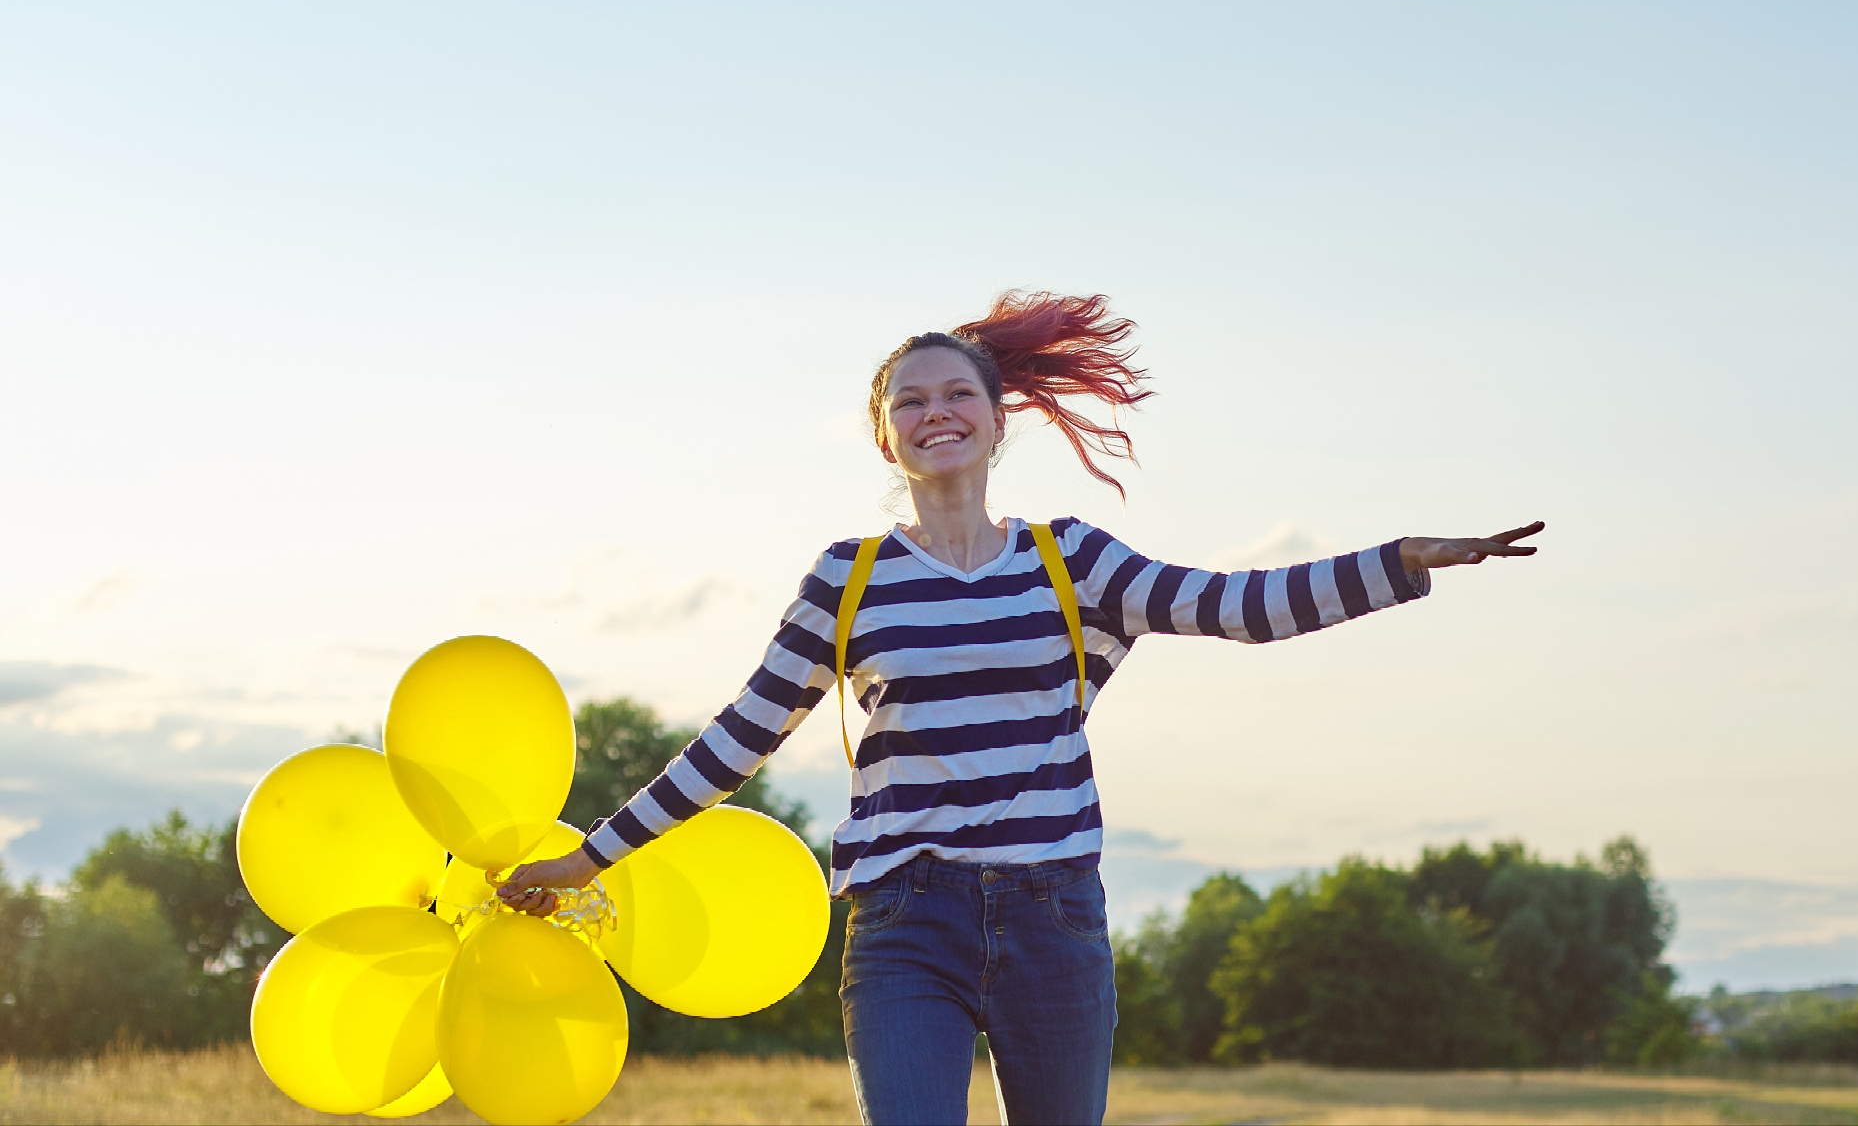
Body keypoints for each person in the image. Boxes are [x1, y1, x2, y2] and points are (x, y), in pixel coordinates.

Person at [497, 291, 1541, 1126]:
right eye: (909, 401)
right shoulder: (846, 579)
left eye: (956, 394)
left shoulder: (1068, 559)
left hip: (1052, 919)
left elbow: (1234, 609)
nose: (935, 411)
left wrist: (1396, 562)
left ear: (998, 423)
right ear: (883, 437)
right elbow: (739, 737)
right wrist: (589, 858)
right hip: (905, 919)